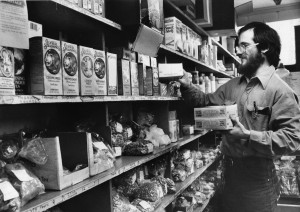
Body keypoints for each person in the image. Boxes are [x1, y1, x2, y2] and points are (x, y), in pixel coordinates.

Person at [178, 22, 300, 212]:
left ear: (264, 48)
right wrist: (186, 85)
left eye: (244, 45)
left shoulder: (280, 91)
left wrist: (247, 135)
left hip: (258, 180)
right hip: (228, 174)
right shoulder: (232, 85)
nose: (237, 50)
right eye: (238, 46)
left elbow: (292, 140)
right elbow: (205, 102)